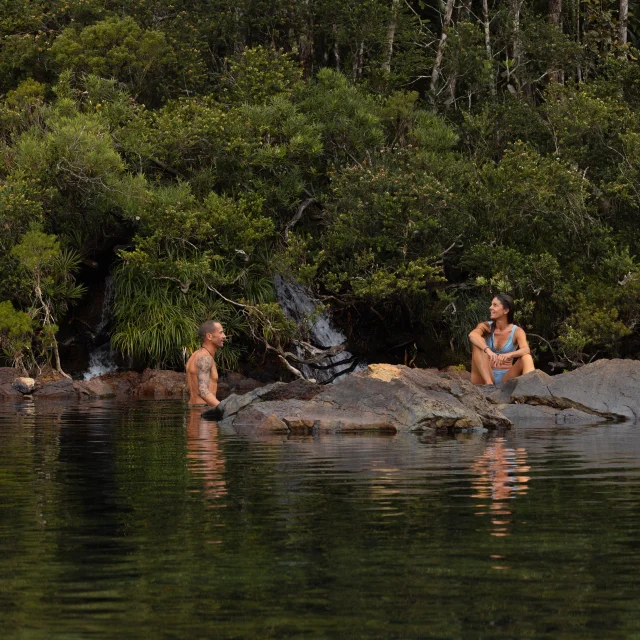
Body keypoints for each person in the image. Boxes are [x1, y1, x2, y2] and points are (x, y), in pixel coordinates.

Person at [468, 294, 535, 385]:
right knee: (478, 343)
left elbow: (526, 350)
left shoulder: (517, 331)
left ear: (506, 310)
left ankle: (530, 391)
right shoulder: (485, 326)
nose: (490, 307)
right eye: (491, 304)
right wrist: (488, 350)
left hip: (506, 378)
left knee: (527, 357)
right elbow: (472, 335)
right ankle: (489, 385)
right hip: (484, 377)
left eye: (495, 305)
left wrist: (510, 355)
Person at [186, 320, 226, 417]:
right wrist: (224, 410)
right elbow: (203, 391)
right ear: (209, 336)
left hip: (194, 412)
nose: (224, 336)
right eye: (220, 332)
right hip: (204, 413)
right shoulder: (205, 358)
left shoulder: (195, 355)